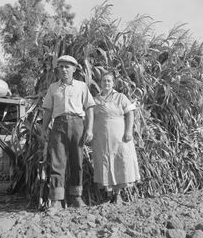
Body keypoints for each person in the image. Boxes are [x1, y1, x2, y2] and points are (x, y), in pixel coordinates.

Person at [42, 55, 95, 213]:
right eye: (61, 67)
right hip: (58, 125)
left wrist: (89, 129)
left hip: (77, 124)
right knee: (57, 162)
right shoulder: (53, 88)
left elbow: (90, 108)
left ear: (74, 69)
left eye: (67, 67)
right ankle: (56, 200)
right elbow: (47, 110)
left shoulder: (82, 86)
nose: (64, 69)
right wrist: (44, 129)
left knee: (77, 161)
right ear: (57, 69)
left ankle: (76, 197)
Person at [92, 72, 140, 204]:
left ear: (113, 83)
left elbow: (130, 113)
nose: (106, 83)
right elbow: (90, 117)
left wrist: (128, 131)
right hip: (101, 138)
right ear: (100, 83)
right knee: (105, 162)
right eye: (104, 81)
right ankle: (108, 195)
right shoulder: (95, 100)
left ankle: (118, 195)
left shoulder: (120, 97)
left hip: (119, 137)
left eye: (109, 81)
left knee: (120, 161)